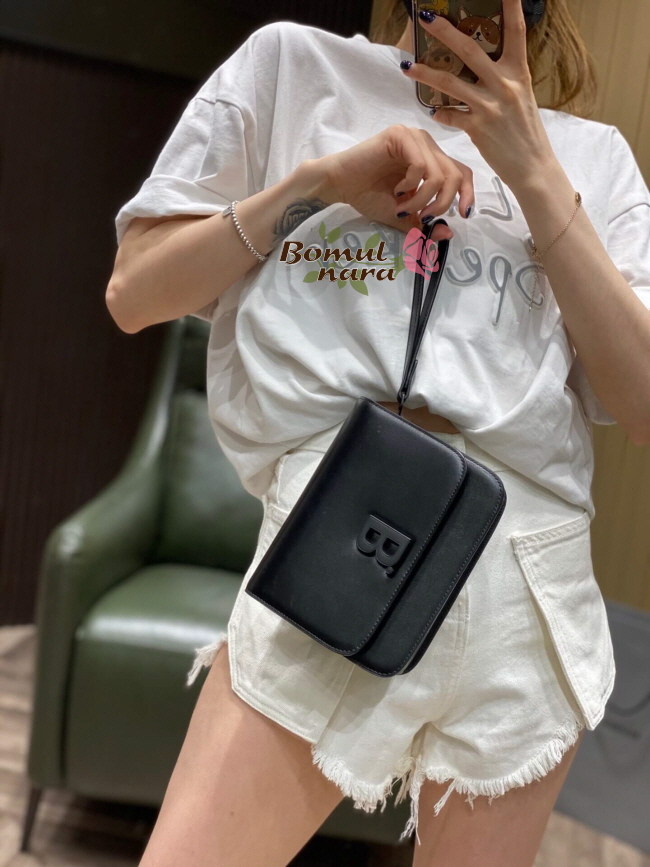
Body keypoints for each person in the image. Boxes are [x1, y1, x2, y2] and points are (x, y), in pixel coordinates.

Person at [108, 0, 650, 864]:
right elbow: (135, 293)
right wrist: (319, 185)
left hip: (530, 583)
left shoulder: (594, 156)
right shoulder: (294, 68)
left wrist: (536, 176)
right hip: (347, 537)